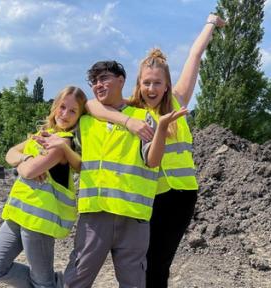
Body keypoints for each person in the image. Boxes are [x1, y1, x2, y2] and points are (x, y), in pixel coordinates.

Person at [86, 14, 225, 287]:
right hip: (148, 197)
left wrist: (210, 23)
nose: (151, 88)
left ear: (166, 85)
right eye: (146, 82)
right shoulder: (132, 109)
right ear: (139, 84)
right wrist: (127, 121)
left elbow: (195, 56)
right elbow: (92, 106)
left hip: (182, 196)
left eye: (157, 83)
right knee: (142, 263)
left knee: (160, 263)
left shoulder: (178, 101)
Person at [58, 61, 187, 287]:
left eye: (104, 78)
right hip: (95, 215)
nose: (98, 85)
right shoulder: (85, 121)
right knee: (75, 280)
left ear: (121, 81)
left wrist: (162, 128)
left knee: (134, 283)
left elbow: (153, 161)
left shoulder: (143, 117)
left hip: (133, 218)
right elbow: (59, 135)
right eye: (94, 81)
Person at [0, 86, 87, 288]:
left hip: (39, 222)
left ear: (79, 116)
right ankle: (54, 284)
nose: (65, 114)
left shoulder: (63, 143)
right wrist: (25, 157)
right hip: (18, 213)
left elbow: (29, 172)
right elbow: (10, 153)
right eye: (62, 107)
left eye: (73, 111)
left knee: (43, 283)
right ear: (55, 106)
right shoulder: (44, 133)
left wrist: (21, 165)